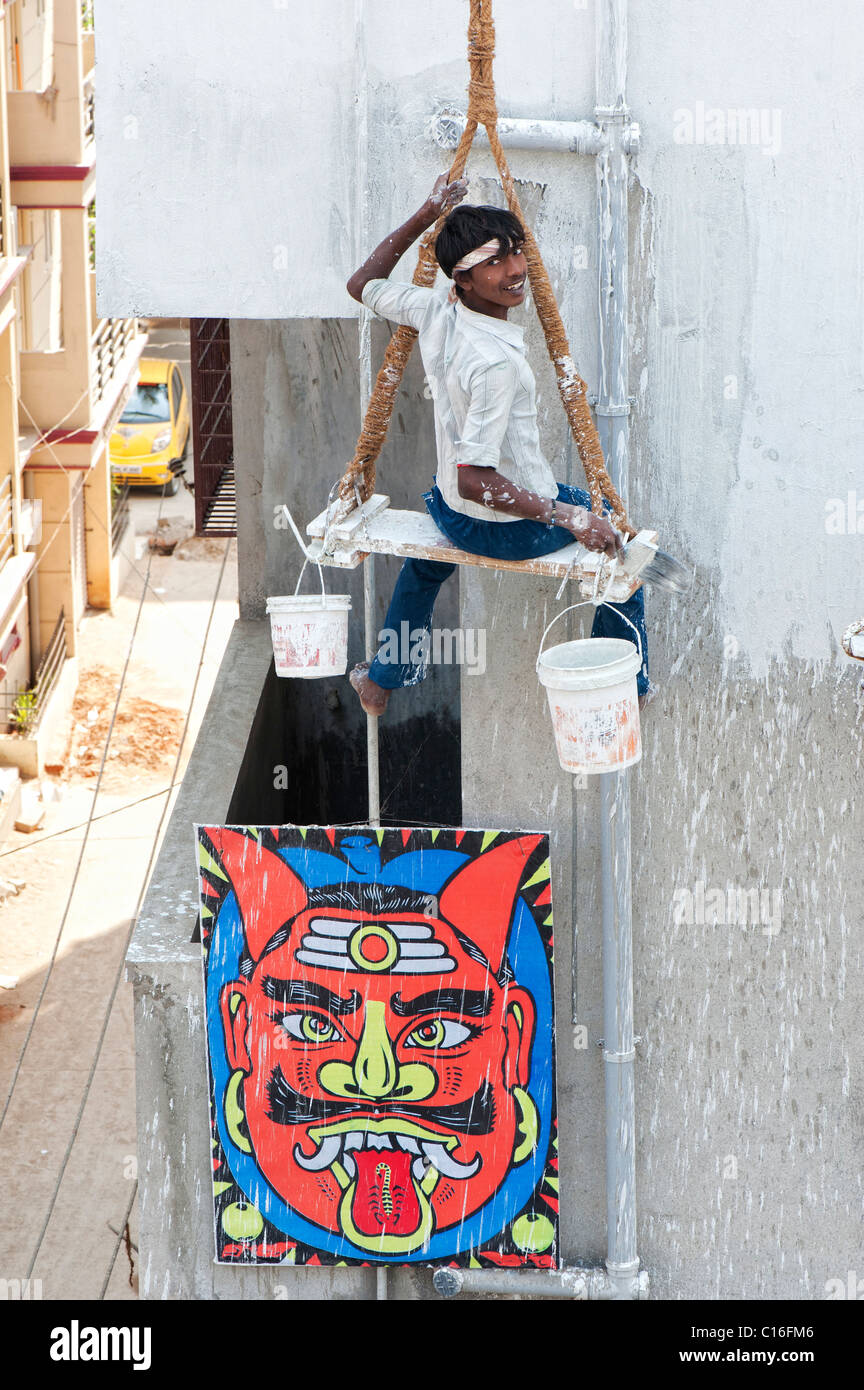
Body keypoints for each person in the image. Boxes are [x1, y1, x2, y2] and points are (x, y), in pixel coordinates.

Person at [345, 174, 650, 715]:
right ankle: (626, 686)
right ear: (462, 278)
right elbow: (477, 480)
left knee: (426, 562)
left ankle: (384, 677)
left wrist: (428, 212)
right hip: (503, 527)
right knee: (622, 556)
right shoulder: (493, 363)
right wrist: (570, 519)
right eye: (493, 262)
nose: (513, 271)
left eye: (515, 253)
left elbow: (362, 282)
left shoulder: (436, 309)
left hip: (450, 512)